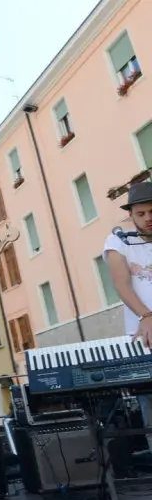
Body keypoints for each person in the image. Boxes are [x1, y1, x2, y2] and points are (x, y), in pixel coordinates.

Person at [103, 181, 152, 453]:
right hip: (145, 337)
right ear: (131, 216)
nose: (148, 218)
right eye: (141, 213)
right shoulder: (118, 242)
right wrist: (146, 315)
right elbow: (121, 284)